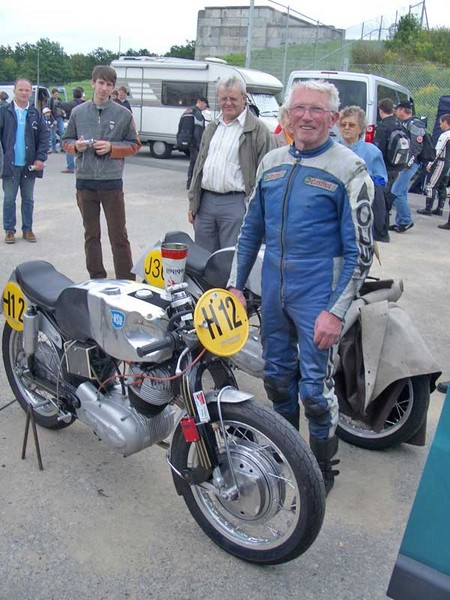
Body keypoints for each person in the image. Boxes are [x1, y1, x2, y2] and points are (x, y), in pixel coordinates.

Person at [227, 80, 374, 494]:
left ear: (332, 118)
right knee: (276, 379)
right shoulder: (271, 162)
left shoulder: (349, 169)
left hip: (318, 293)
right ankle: (285, 453)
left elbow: (360, 251)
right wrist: (237, 286)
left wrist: (335, 310)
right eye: (299, 109)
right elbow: (250, 229)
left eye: (317, 110)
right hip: (273, 286)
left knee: (314, 390)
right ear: (287, 116)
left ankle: (320, 472)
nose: (307, 117)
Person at [63, 65, 141, 280]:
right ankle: (96, 278)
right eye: (100, 83)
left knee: (118, 235)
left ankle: (126, 280)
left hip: (111, 183)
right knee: (91, 235)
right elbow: (66, 140)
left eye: (108, 84)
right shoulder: (78, 113)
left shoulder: (123, 114)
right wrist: (75, 146)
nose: (104, 88)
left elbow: (135, 144)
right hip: (85, 183)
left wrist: (112, 148)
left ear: (113, 88)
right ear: (93, 83)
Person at [188, 76, 275, 253]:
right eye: (223, 98)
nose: (228, 103)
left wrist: (258, 211)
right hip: (206, 203)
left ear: (244, 98)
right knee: (203, 262)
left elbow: (269, 175)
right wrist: (193, 202)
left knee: (231, 261)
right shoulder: (212, 127)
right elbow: (199, 167)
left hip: (237, 204)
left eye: (233, 99)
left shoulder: (259, 131)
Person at [0, 78, 49, 243]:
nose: (24, 93)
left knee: (28, 199)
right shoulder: (3, 111)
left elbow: (44, 137)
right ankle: (9, 230)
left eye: (27, 90)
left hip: (29, 165)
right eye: (21, 90)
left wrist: (40, 158)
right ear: (14, 91)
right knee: (9, 199)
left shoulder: (36, 114)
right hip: (10, 165)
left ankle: (27, 229)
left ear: (31, 92)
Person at [338, 105, 389, 242]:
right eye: (343, 124)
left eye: (351, 125)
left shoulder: (371, 152)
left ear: (360, 128)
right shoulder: (333, 148)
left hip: (360, 210)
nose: (346, 128)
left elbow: (381, 181)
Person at [388, 100, 426, 233]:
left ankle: (405, 220)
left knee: (395, 192)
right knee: (402, 192)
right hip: (404, 163)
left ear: (402, 110)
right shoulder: (404, 123)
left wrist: (407, 164)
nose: (395, 111)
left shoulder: (415, 124)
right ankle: (401, 222)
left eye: (397, 109)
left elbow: (416, 147)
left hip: (410, 164)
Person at [417, 113, 450, 223]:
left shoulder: (445, 135)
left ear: (446, 122)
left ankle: (428, 208)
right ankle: (440, 208)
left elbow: (438, 151)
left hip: (441, 161)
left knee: (431, 184)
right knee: (442, 185)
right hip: (447, 163)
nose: (440, 125)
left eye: (441, 123)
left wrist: (430, 164)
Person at [177, 96, 209, 189]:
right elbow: (198, 131)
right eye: (205, 106)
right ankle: (193, 184)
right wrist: (200, 145)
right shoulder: (197, 113)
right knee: (196, 163)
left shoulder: (187, 111)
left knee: (192, 162)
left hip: (186, 140)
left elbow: (180, 126)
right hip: (194, 143)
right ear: (201, 102)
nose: (205, 109)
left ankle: (190, 182)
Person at [61, 87, 85, 173]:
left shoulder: (71, 104)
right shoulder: (85, 104)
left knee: (69, 144)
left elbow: (61, 105)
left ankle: (70, 166)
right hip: (83, 126)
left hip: (72, 126)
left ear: (73, 95)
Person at [48, 88, 65, 153]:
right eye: (55, 94)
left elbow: (63, 107)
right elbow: (49, 111)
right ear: (52, 94)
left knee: (62, 132)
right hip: (54, 118)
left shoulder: (60, 100)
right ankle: (53, 148)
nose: (57, 96)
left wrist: (63, 113)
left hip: (60, 117)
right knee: (53, 134)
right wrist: (53, 120)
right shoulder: (50, 101)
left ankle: (62, 147)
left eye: (57, 94)